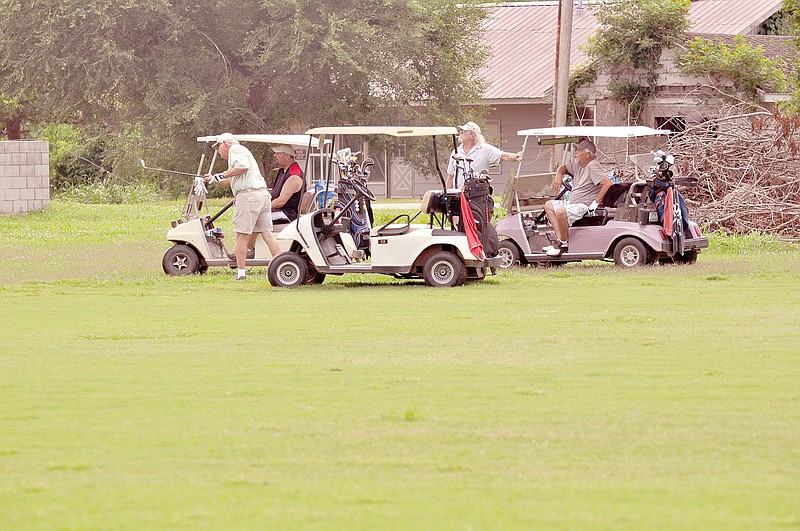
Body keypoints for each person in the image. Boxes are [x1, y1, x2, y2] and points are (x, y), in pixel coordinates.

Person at [204, 133, 282, 280]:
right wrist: (214, 179)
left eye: (218, 146)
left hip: (249, 197)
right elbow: (229, 180)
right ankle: (282, 265)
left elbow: (242, 167)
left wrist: (222, 174)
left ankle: (241, 274)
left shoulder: (235, 149)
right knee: (267, 233)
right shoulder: (240, 153)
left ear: (226, 143)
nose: (218, 150)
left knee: (241, 235)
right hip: (262, 196)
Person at [542, 138, 613, 257]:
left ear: (588, 154)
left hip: (584, 205)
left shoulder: (592, 166)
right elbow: (563, 167)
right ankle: (561, 239)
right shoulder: (579, 165)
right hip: (573, 203)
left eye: (579, 150)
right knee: (549, 205)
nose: (576, 153)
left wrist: (595, 203)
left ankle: (563, 244)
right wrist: (558, 175)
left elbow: (607, 184)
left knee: (560, 211)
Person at [446, 122, 523, 190]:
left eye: (464, 131)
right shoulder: (456, 152)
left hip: (477, 197)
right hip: (458, 197)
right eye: (460, 131)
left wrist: (516, 156)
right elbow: (450, 176)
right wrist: (447, 196)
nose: (460, 133)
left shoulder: (485, 149)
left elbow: (503, 156)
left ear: (472, 135)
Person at [269, 144, 304, 223]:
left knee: (256, 219)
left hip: (287, 214)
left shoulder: (294, 175)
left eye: (278, 153)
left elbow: (280, 202)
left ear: (287, 156)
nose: (275, 155)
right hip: (279, 211)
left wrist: (262, 207)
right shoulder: (282, 171)